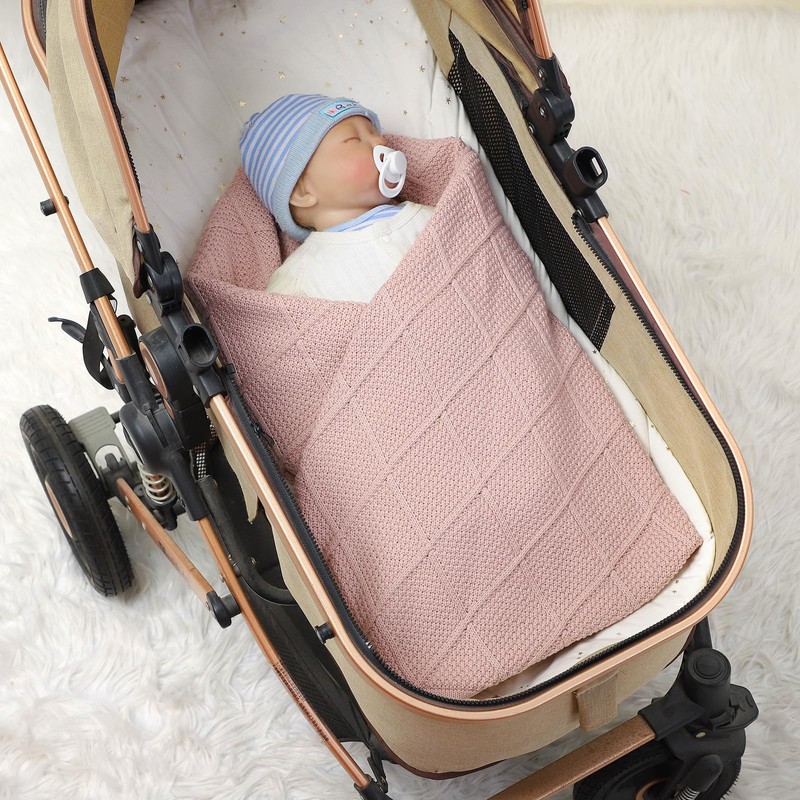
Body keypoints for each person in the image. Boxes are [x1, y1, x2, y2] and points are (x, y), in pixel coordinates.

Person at [240, 94, 433, 302]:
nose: (381, 141)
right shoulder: (299, 279)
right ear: (302, 192)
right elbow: (275, 320)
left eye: (378, 135)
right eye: (353, 139)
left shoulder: (427, 216)